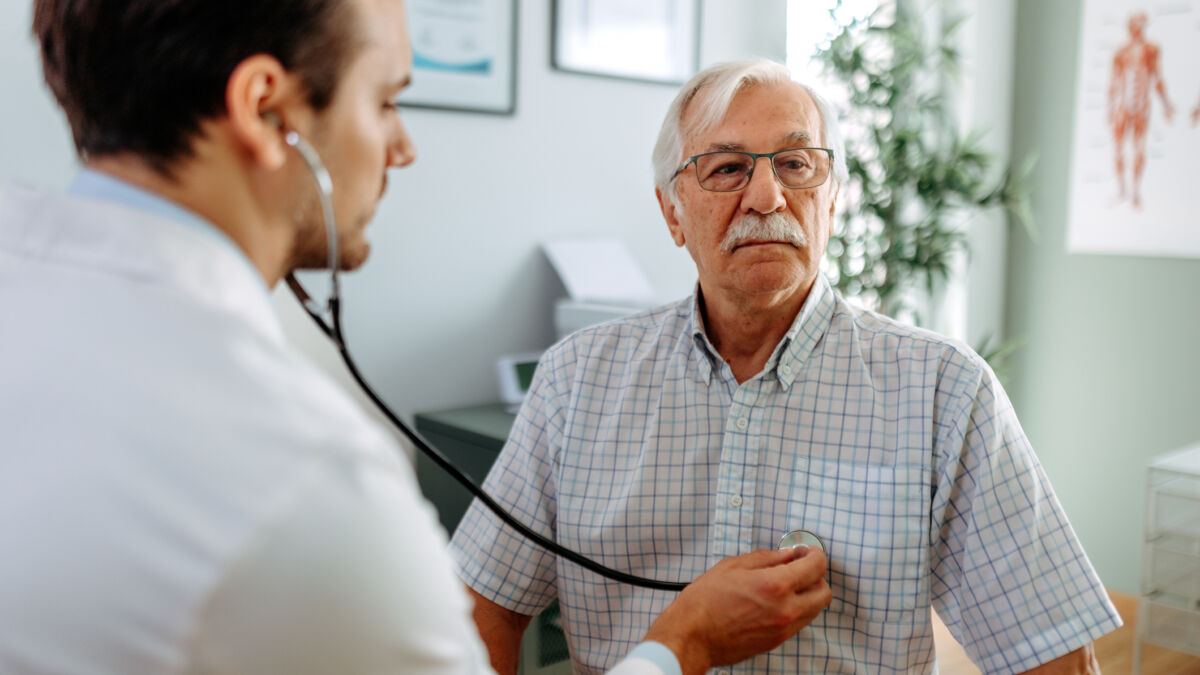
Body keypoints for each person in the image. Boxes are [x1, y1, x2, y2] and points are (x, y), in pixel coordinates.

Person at [0, 3, 833, 674]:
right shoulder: (311, 483)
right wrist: (681, 645)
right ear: (265, 108)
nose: (402, 146)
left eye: (797, 165)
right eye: (386, 99)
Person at [451, 59, 1123, 674]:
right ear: (672, 212)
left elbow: (1050, 652)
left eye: (798, 164)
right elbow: (483, 607)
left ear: (831, 200)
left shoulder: (945, 391)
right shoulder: (577, 379)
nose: (768, 196)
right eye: (726, 168)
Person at [1108, 11, 1174, 209]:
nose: (1137, 29)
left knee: (1138, 149)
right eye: (1134, 25)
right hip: (1123, 107)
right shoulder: (1121, 53)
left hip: (1141, 108)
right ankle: (1122, 190)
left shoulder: (1151, 50)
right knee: (1119, 149)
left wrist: (1166, 105)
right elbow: (1114, 82)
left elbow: (1157, 79)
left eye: (1140, 25)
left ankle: (1135, 191)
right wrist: (1110, 109)